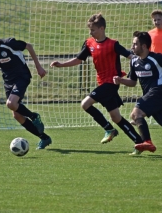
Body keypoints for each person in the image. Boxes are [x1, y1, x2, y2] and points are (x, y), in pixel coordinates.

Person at [50, 13, 144, 154]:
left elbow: (131, 57)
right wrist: (61, 64)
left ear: (102, 28)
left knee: (85, 104)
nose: (91, 32)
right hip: (102, 83)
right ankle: (139, 143)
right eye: (90, 30)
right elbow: (78, 60)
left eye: (93, 29)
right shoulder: (89, 43)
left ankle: (108, 129)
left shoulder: (113, 44)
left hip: (111, 83)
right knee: (116, 118)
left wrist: (137, 71)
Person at [0, 26, 52, 149]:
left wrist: (38, 67)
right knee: (17, 115)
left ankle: (34, 116)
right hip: (8, 81)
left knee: (10, 103)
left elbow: (29, 46)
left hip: (22, 76)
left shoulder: (9, 43)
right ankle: (44, 138)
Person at [113, 31, 162, 154]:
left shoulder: (156, 58)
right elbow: (133, 82)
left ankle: (147, 141)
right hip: (152, 97)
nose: (132, 47)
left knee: (136, 114)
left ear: (144, 46)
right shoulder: (134, 61)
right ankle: (146, 141)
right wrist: (121, 80)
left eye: (135, 44)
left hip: (159, 93)